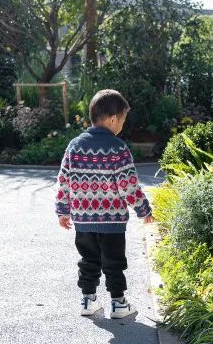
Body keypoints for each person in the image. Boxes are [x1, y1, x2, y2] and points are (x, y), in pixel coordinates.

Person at [56, 89, 153, 318]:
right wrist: (143, 210)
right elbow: (128, 186)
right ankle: (118, 303)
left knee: (88, 260)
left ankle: (88, 300)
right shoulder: (118, 148)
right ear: (112, 119)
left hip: (83, 220)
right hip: (112, 222)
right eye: (122, 121)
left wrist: (63, 210)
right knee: (114, 262)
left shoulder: (75, 146)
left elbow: (64, 179)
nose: (122, 126)